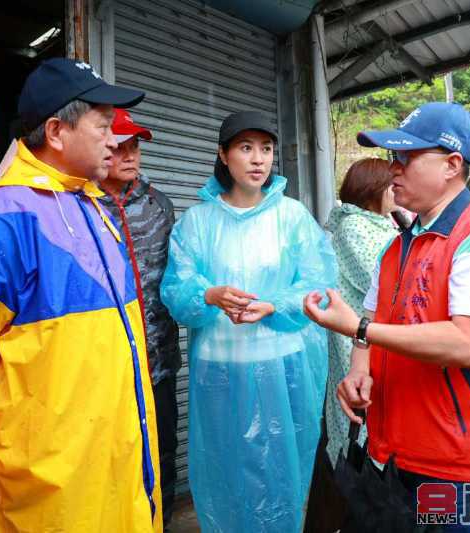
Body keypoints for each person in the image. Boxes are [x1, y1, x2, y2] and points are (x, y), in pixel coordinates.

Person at [0, 57, 162, 533]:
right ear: (56, 131)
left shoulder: (93, 207)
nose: (114, 140)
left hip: (115, 463)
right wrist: (30, 417)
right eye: (102, 126)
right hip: (47, 480)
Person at [304, 102, 470, 531]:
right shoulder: (395, 248)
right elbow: (369, 330)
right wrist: (359, 369)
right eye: (393, 158)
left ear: (451, 165)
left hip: (452, 467)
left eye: (406, 158)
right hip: (391, 458)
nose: (394, 169)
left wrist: (358, 327)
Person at [160, 110, 336, 533]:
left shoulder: (292, 217)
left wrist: (274, 305)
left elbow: (318, 283)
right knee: (226, 470)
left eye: (266, 149)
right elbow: (176, 289)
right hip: (221, 372)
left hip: (284, 369)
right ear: (223, 155)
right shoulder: (196, 223)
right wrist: (209, 295)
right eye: (245, 148)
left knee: (281, 473)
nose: (258, 159)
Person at [304, 158, 397, 533]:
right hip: (355, 338)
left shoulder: (386, 223)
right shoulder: (354, 226)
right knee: (353, 427)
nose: (397, 191)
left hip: (373, 335)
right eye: (392, 184)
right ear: (374, 188)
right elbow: (381, 277)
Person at [99, 108, 181, 529]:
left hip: (159, 364)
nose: (131, 155)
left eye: (136, 146)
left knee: (162, 455)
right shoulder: (80, 205)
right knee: (111, 465)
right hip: (104, 372)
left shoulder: (157, 204)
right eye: (119, 145)